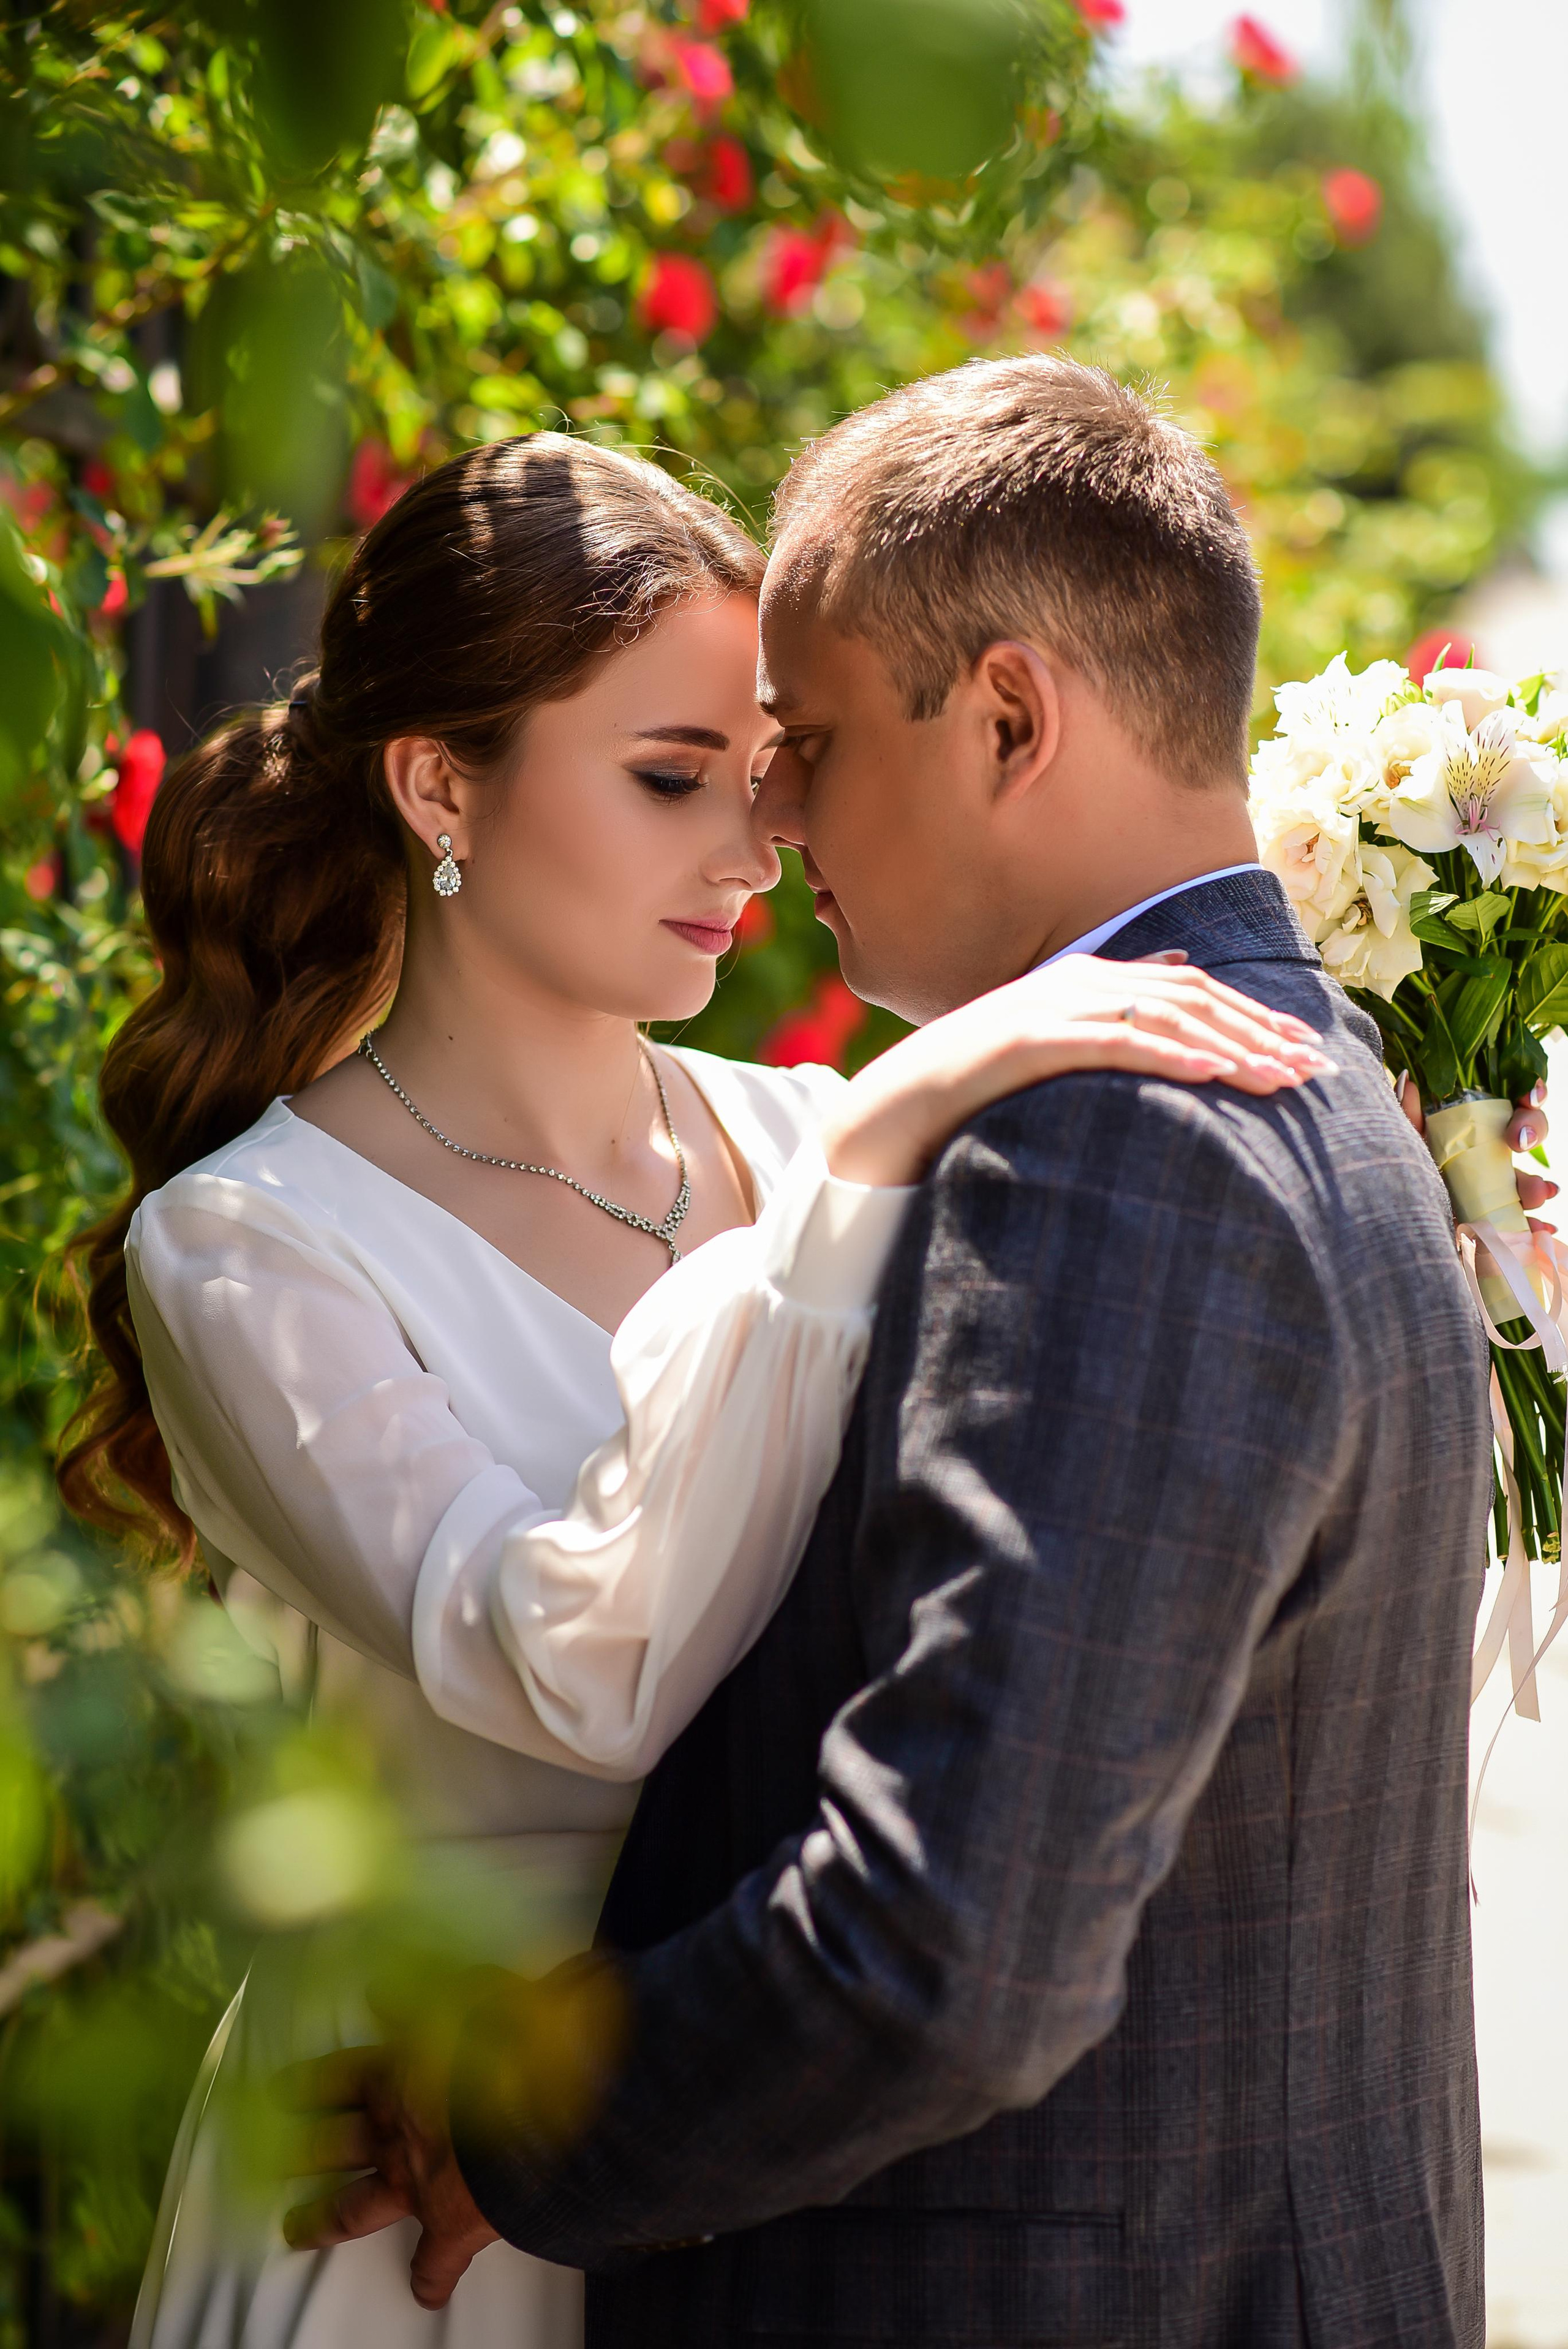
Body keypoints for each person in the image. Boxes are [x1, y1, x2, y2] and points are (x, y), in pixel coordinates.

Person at [57, 429, 1322, 2349]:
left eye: (762, 778)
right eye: (668, 782)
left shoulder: (820, 1133)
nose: (751, 854)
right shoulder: (251, 1247)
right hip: (407, 2177)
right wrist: (884, 1142)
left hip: (767, 2157)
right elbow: (582, 1667)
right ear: (436, 784)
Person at [286, 360, 1507, 2348]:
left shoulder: (1119, 1142)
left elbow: (948, 1941)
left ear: (1011, 716)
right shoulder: (1319, 1075)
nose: (768, 811)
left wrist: (513, 2118)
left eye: (813, 739)